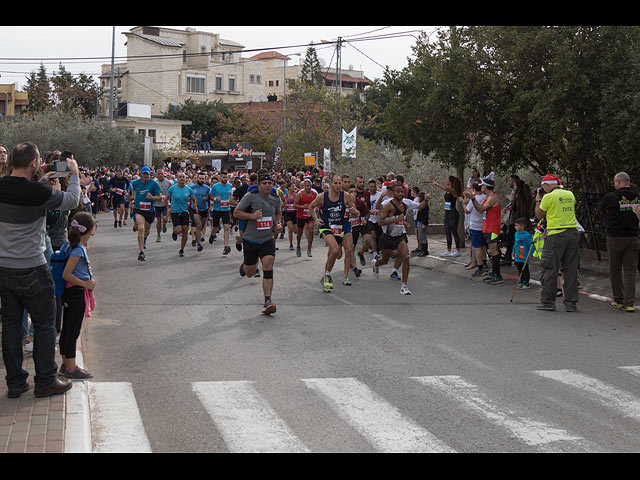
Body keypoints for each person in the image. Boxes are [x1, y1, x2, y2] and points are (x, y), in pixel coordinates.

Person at [0, 142, 80, 398]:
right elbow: (71, 201)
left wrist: (43, 183)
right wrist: (75, 174)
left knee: (12, 326)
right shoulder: (37, 192)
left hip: (4, 268)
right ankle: (45, 380)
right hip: (32, 266)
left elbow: (23, 197)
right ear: (34, 163)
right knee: (46, 324)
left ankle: (15, 383)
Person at [234, 173, 283, 315]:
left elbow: (278, 213)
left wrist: (278, 224)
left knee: (268, 266)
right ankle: (245, 265)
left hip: (267, 239)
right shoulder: (250, 196)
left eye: (270, 183)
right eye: (264, 183)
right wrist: (252, 216)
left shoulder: (276, 199)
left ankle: (268, 301)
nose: (267, 185)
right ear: (259, 185)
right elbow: (237, 212)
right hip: (250, 239)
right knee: (249, 273)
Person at [534, 174, 580, 312]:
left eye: (543, 186)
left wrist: (538, 200)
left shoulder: (548, 197)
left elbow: (539, 215)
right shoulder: (570, 194)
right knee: (571, 269)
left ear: (547, 185)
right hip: (572, 233)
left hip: (556, 234)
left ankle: (548, 301)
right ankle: (571, 303)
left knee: (549, 267)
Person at [59, 212, 96, 379]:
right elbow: (66, 274)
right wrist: (85, 284)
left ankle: (66, 364)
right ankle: (71, 368)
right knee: (72, 331)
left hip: (70, 293)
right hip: (76, 292)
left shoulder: (69, 245)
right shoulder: (78, 250)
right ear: (89, 230)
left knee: (67, 329)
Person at [598, 172, 640, 313]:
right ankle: (629, 303)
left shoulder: (611, 197)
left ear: (618, 182)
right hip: (633, 237)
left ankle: (618, 299)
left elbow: (601, 209)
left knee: (615, 269)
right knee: (630, 271)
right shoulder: (638, 196)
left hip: (615, 236)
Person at [309, 175, 359, 291]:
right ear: (330, 184)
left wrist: (354, 211)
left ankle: (345, 277)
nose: (338, 186)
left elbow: (355, 212)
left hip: (343, 225)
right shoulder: (323, 196)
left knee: (349, 249)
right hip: (327, 226)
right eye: (335, 183)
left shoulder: (346, 196)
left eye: (339, 183)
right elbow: (311, 207)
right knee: (336, 250)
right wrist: (316, 220)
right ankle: (327, 275)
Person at [372, 182, 423, 295]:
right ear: (393, 193)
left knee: (405, 257)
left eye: (402, 192)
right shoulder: (388, 205)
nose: (400, 194)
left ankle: (404, 286)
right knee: (384, 261)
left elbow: (418, 207)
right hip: (387, 237)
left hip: (399, 236)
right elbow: (380, 222)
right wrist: (395, 220)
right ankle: (376, 263)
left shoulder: (405, 204)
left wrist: (403, 223)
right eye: (398, 192)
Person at [463, 177, 503, 285]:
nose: (482, 188)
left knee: (493, 251)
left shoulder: (493, 198)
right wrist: (472, 199)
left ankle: (497, 274)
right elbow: (480, 208)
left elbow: (481, 209)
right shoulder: (487, 197)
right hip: (487, 227)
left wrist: (473, 199)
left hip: (493, 228)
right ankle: (494, 273)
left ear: (485, 186)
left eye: (483, 186)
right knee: (491, 250)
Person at [130, 166, 162, 261]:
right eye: (144, 174)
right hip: (139, 209)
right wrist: (133, 199)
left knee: (146, 231)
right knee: (141, 228)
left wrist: (152, 197)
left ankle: (144, 239)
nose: (146, 176)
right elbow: (133, 191)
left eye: (147, 174)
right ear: (141, 174)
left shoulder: (154, 184)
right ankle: (141, 252)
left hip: (150, 210)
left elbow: (160, 198)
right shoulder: (136, 183)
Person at [427, 176, 463, 257]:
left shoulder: (453, 190)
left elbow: (446, 189)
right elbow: (445, 189)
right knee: (447, 231)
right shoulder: (448, 189)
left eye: (447, 179)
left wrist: (437, 183)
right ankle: (448, 250)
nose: (445, 180)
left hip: (453, 213)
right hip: (447, 212)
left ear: (450, 181)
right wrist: (432, 181)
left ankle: (458, 250)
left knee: (454, 231)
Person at [167, 172, 197, 257]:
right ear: (177, 179)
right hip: (175, 212)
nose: (181, 178)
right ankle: (174, 232)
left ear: (186, 179)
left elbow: (194, 199)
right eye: (180, 177)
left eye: (183, 177)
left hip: (184, 212)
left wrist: (195, 205)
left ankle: (182, 249)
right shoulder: (172, 189)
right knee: (179, 230)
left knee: (185, 231)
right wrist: (167, 207)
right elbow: (166, 198)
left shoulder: (188, 189)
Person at [465, 183, 488, 277]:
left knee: (477, 247)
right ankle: (485, 263)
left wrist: (463, 202)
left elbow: (467, 210)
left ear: (474, 190)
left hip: (475, 225)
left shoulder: (474, 199)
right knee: (483, 246)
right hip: (483, 224)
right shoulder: (485, 197)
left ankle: (480, 267)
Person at [209, 170, 234, 255]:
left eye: (226, 177)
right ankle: (212, 234)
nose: (225, 179)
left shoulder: (230, 186)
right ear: (220, 178)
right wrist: (216, 199)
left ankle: (226, 246)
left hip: (226, 210)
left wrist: (230, 201)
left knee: (226, 227)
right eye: (223, 177)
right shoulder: (215, 186)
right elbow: (211, 196)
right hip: (217, 209)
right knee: (215, 228)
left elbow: (231, 196)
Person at [293, 178, 317, 257]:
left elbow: (317, 203)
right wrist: (302, 206)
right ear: (304, 186)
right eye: (307, 186)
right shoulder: (300, 194)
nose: (308, 187)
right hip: (301, 216)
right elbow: (295, 205)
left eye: (310, 186)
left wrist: (315, 208)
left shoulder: (314, 193)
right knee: (299, 232)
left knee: (311, 229)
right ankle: (298, 247)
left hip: (310, 215)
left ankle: (309, 248)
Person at [189, 172, 211, 253]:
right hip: (195, 209)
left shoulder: (207, 188)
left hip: (204, 209)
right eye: (200, 178)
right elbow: (188, 197)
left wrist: (207, 199)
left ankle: (196, 235)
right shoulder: (191, 187)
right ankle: (199, 244)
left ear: (205, 179)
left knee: (201, 227)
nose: (201, 180)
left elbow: (209, 197)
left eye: (203, 179)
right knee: (198, 225)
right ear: (197, 178)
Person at [512, 217, 534, 289]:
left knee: (525, 269)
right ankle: (521, 280)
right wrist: (513, 251)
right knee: (519, 268)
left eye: (517, 225)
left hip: (524, 255)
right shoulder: (516, 234)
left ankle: (526, 282)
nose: (515, 227)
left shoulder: (527, 235)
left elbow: (531, 245)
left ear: (522, 226)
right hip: (518, 255)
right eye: (515, 225)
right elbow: (515, 243)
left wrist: (530, 254)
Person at [154, 170, 172, 242]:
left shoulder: (168, 183)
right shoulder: (154, 183)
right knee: (158, 221)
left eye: (161, 174)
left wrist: (170, 201)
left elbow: (171, 192)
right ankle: (158, 235)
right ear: (156, 175)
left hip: (165, 204)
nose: (160, 175)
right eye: (159, 174)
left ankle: (164, 225)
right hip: (157, 205)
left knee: (165, 219)